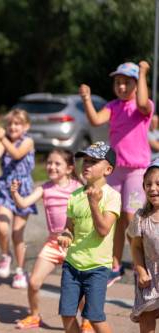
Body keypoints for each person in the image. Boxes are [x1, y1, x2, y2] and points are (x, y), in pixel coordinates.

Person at [79, 61, 154, 285]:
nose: (121, 87)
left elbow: (141, 101)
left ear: (136, 84)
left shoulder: (143, 107)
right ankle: (115, 264)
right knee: (114, 217)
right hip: (116, 170)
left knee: (131, 216)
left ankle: (142, 261)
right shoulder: (113, 106)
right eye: (118, 82)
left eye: (127, 83)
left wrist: (142, 73)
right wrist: (86, 99)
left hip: (136, 171)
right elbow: (95, 120)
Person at [10, 150, 88, 330]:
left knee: (81, 289)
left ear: (69, 168)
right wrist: (15, 194)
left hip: (74, 244)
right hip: (53, 243)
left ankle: (87, 321)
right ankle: (34, 315)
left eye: (57, 163)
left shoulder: (78, 187)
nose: (51, 166)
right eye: (49, 163)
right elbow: (23, 204)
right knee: (33, 282)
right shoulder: (44, 188)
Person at [57, 141, 121, 333]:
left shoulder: (112, 196)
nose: (86, 165)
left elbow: (103, 230)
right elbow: (69, 228)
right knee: (67, 315)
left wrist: (94, 203)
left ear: (108, 169)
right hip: (72, 265)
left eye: (93, 161)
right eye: (85, 160)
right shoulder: (74, 196)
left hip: (97, 268)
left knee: (94, 317)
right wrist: (66, 236)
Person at [0, 109, 37, 288]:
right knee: (1, 225)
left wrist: (2, 139)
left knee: (17, 234)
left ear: (26, 126)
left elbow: (16, 154)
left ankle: (21, 271)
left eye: (17, 124)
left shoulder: (28, 141)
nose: (13, 127)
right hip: (5, 188)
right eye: (10, 124)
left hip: (23, 190)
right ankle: (5, 255)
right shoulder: (4, 141)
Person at [127, 160, 159, 333]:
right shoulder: (141, 216)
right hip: (149, 276)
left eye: (158, 184)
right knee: (147, 317)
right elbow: (136, 246)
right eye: (149, 184)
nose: (153, 188)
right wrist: (141, 271)